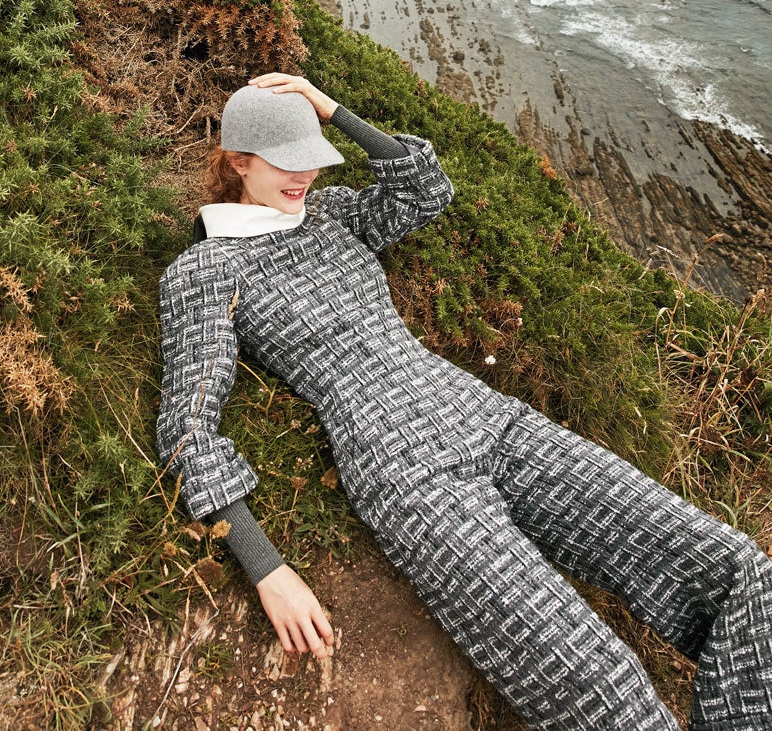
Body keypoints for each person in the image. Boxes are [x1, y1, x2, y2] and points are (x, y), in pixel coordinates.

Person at [156, 72, 772, 730]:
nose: (305, 174)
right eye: (287, 159)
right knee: (605, 688)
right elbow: (188, 428)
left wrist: (329, 109)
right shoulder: (204, 271)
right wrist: (266, 567)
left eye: (314, 157)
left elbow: (425, 188)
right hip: (406, 475)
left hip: (489, 418)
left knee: (740, 574)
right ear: (238, 161)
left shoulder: (333, 217)